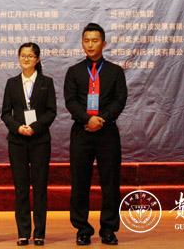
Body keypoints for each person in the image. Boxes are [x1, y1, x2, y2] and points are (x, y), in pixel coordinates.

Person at [64, 23, 127, 246]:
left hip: (107, 132)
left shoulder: (115, 71)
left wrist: (102, 119)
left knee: (110, 182)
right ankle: (82, 229)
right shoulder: (74, 72)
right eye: (86, 40)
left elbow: (120, 100)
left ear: (104, 43)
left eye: (95, 40)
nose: (90, 45)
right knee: (80, 182)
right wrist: (87, 119)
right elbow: (70, 101)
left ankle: (108, 229)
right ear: (82, 43)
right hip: (81, 132)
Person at [1, 42, 57, 246]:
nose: (26, 59)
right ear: (18, 58)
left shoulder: (46, 82)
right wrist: (18, 128)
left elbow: (51, 111)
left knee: (40, 187)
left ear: (37, 59)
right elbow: (5, 113)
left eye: (30, 56)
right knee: (21, 187)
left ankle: (39, 233)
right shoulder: (12, 83)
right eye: (23, 55)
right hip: (17, 141)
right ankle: (23, 232)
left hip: (39, 140)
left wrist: (34, 127)